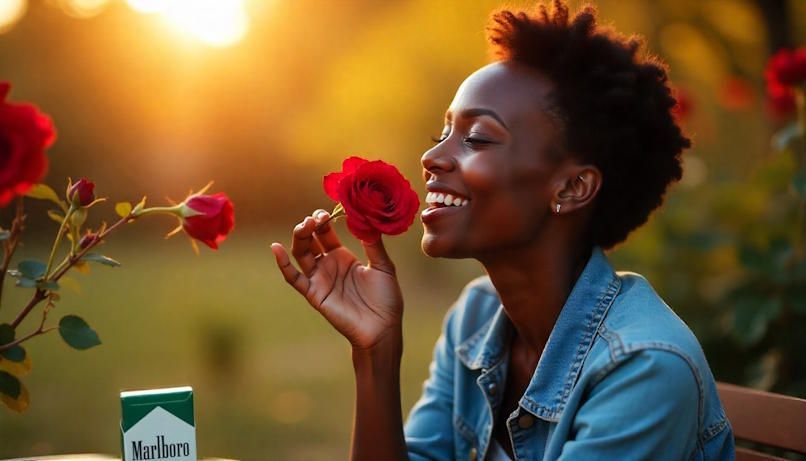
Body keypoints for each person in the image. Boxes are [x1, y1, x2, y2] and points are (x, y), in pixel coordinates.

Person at [270, 1, 735, 459]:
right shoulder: (475, 317)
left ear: (573, 187)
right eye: (443, 135)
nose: (431, 158)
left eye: (476, 138)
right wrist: (376, 351)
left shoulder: (644, 369)